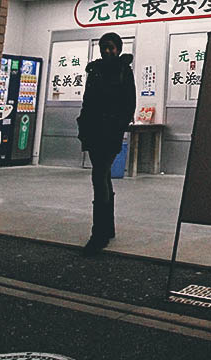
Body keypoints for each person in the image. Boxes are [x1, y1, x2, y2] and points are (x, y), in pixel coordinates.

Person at [76, 32, 135, 255]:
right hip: (93, 131)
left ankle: (98, 233)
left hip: (110, 133)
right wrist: (83, 126)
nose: (107, 51)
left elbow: (129, 103)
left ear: (118, 49)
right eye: (104, 47)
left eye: (111, 47)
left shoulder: (124, 71)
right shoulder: (94, 71)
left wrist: (117, 126)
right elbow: (87, 101)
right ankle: (107, 228)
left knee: (99, 176)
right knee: (103, 177)